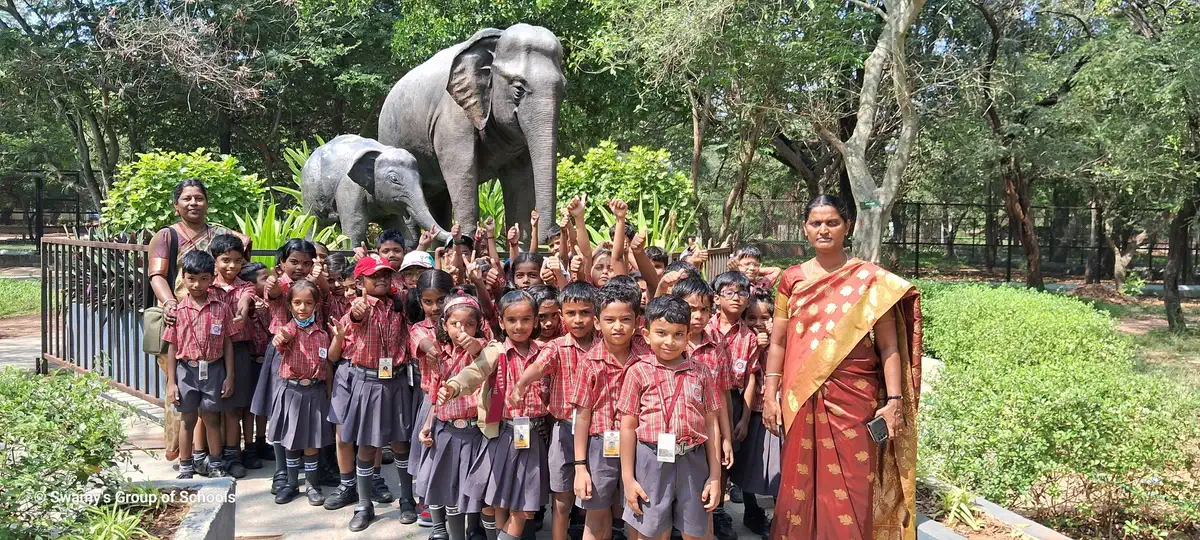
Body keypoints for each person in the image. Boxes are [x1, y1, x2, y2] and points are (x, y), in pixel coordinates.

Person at [761, 195, 922, 539]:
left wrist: (894, 402)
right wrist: (770, 395)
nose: (823, 229)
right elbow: (779, 342)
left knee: (852, 487)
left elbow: (889, 345)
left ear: (847, 226)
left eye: (832, 222)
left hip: (854, 401)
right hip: (800, 397)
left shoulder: (871, 281)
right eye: (815, 223)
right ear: (805, 229)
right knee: (798, 487)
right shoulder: (791, 279)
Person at [437, 290, 549, 540]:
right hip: (503, 434)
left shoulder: (545, 351)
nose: (519, 326)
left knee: (523, 509)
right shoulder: (495, 351)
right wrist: (453, 387)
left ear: (535, 321)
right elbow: (475, 372)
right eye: (512, 320)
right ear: (501, 322)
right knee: (500, 501)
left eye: (526, 319)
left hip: (535, 434)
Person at [147, 179, 246, 463]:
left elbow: (239, 249)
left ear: (207, 201)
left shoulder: (218, 234)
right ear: (176, 205)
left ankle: (206, 452)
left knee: (212, 395)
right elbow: (156, 275)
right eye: (187, 198)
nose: (194, 203)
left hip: (213, 320)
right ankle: (177, 448)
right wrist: (169, 303)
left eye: (199, 198)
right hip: (178, 319)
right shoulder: (167, 236)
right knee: (177, 387)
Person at [617, 295, 722, 540]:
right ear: (646, 334)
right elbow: (628, 426)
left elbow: (711, 423)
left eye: (678, 334)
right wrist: (628, 478)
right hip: (650, 460)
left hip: (693, 460)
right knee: (652, 532)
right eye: (661, 333)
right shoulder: (637, 372)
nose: (669, 342)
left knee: (696, 531)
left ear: (688, 336)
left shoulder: (701, 372)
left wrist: (715, 476)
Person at [509, 281, 601, 540]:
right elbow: (538, 366)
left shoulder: (603, 345)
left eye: (585, 312)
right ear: (563, 315)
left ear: (595, 314)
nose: (579, 320)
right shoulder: (557, 347)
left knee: (595, 501)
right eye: (571, 313)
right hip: (565, 431)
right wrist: (522, 384)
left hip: (597, 431)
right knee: (561, 501)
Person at [334, 254, 410, 531]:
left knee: (401, 444)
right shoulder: (360, 307)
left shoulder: (398, 306)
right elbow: (354, 318)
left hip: (398, 380)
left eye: (385, 275)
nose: (381, 279)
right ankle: (364, 504)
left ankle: (407, 500)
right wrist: (357, 308)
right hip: (369, 382)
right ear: (360, 281)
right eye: (373, 276)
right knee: (368, 445)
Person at [572, 285, 648, 540]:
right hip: (599, 446)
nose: (618, 326)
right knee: (597, 515)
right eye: (610, 320)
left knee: (638, 511)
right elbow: (582, 417)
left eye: (625, 319)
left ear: (637, 323)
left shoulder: (647, 359)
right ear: (597, 322)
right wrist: (580, 466)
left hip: (640, 446)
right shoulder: (589, 362)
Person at [417, 292, 491, 540]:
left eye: (469, 323)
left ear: (478, 325)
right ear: (443, 325)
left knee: (470, 490)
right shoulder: (438, 353)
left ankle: (474, 530)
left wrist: (473, 345)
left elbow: (479, 349)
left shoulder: (484, 351)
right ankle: (454, 534)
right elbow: (434, 394)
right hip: (446, 430)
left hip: (475, 432)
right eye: (455, 323)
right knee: (449, 490)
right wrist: (427, 425)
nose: (462, 329)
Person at [670, 277, 735, 540]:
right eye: (691, 309)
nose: (697, 316)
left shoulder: (717, 344)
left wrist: (727, 437)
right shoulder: (665, 341)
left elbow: (723, 394)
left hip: (704, 439)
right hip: (665, 439)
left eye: (704, 309)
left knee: (702, 504)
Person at [268, 279, 343, 505]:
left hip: (315, 391)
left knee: (311, 441)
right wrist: (281, 337)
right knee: (291, 441)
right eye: (297, 303)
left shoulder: (322, 333)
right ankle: (291, 483)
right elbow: (278, 341)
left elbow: (330, 361)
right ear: (290, 305)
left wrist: (330, 392)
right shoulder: (288, 330)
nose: (303, 308)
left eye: (308, 303)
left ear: (316, 305)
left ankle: (312, 484)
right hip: (292, 392)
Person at [163, 250, 235, 479]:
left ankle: (215, 463)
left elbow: (227, 343)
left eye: (204, 279)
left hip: (214, 369)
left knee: (212, 418)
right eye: (191, 278)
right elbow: (172, 346)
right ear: (183, 278)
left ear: (212, 278)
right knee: (188, 419)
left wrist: (229, 375)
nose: (197, 284)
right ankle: (186, 465)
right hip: (186, 371)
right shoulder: (177, 311)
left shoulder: (221, 308)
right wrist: (171, 382)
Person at [730, 289, 779, 535]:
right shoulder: (741, 342)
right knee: (748, 466)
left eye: (765, 317)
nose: (758, 323)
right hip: (749, 412)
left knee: (778, 468)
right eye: (751, 318)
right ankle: (752, 511)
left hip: (776, 414)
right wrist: (756, 349)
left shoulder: (782, 344)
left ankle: (782, 516)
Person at [209, 233, 256, 478]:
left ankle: (233, 454)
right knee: (212, 407)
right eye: (226, 260)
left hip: (238, 349)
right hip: (212, 353)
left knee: (235, 407)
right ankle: (213, 455)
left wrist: (244, 308)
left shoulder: (245, 286)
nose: (232, 266)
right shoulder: (207, 286)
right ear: (215, 260)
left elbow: (247, 299)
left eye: (237, 261)